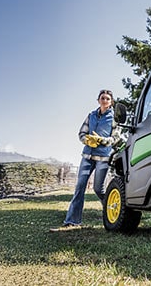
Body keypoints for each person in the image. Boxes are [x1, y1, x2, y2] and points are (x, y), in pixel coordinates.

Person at [54, 89, 119, 231]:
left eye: (107, 98)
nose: (105, 100)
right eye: (102, 98)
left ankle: (114, 212)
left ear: (111, 102)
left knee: (98, 189)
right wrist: (87, 140)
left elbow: (115, 138)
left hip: (103, 157)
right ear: (98, 100)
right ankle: (72, 221)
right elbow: (81, 133)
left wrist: (101, 140)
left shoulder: (114, 118)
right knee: (80, 187)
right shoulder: (91, 116)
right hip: (87, 156)